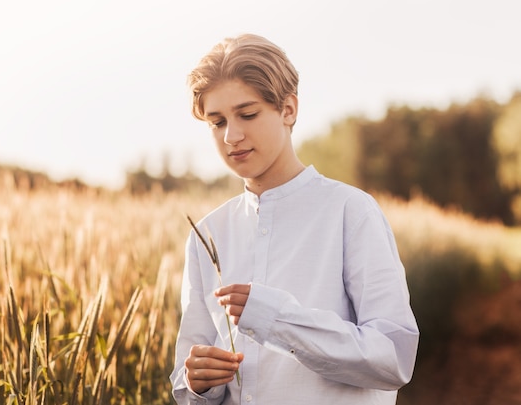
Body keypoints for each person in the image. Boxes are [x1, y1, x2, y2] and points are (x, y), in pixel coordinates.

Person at [169, 33, 419, 405]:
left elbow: (393, 359)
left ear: (288, 110)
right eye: (216, 122)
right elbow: (187, 383)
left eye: (247, 114)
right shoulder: (207, 234)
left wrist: (278, 320)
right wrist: (198, 384)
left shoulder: (352, 212)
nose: (231, 136)